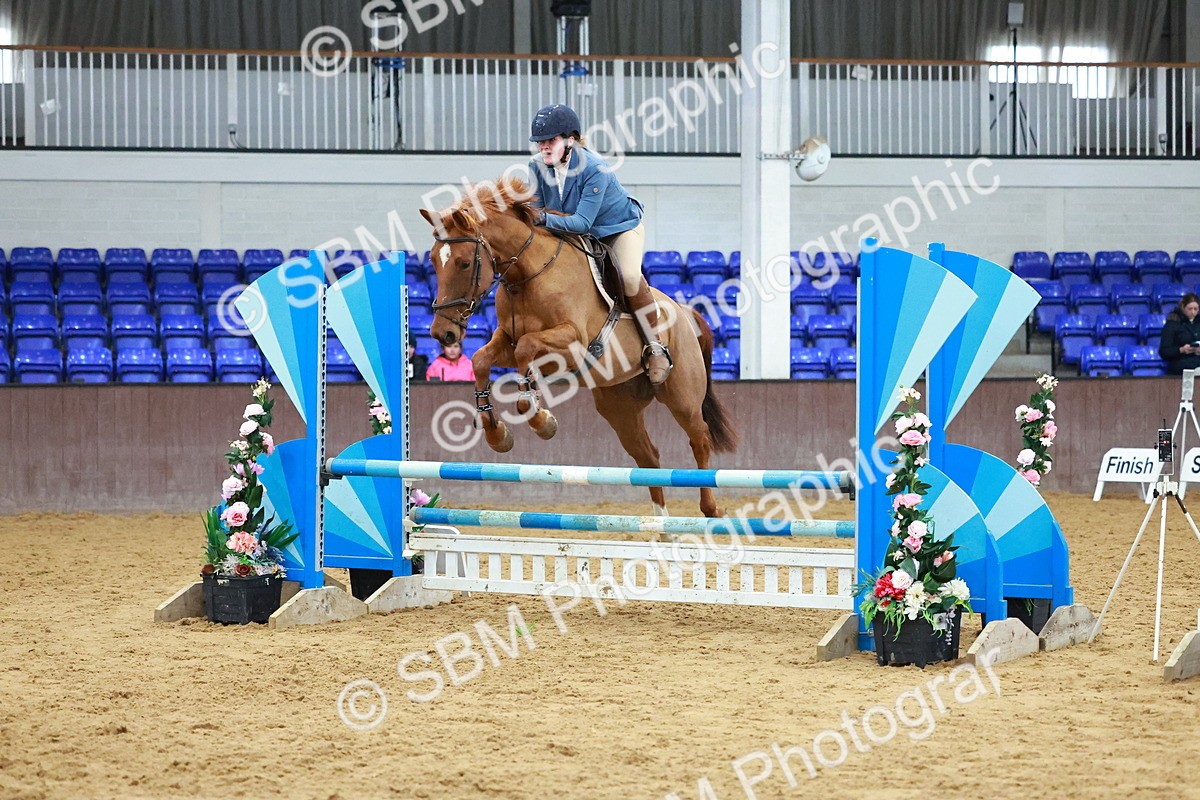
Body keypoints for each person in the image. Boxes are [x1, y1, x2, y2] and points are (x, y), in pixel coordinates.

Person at [526, 103, 672, 385]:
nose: (544, 147)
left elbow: (581, 222)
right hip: (573, 230)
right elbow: (536, 213)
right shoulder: (535, 166)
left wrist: (542, 218)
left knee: (629, 277)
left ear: (571, 140)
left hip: (616, 229)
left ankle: (656, 346)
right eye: (540, 142)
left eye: (551, 140)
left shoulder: (595, 168)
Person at [1159, 293, 1200, 374]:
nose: (1193, 312)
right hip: (1180, 362)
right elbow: (1164, 351)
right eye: (1190, 309)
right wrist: (1181, 350)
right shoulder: (1172, 323)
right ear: (1183, 307)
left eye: (1195, 309)